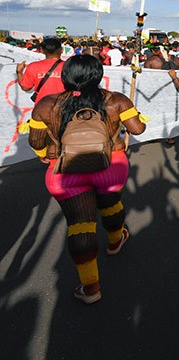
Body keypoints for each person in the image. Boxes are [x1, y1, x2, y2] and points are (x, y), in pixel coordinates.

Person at [26, 54, 146, 303]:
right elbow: (137, 129)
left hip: (64, 173)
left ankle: (90, 287)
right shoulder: (116, 100)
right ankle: (115, 241)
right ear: (98, 75)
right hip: (111, 165)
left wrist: (42, 155)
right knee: (110, 203)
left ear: (67, 76)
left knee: (80, 224)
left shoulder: (46, 104)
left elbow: (35, 141)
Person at [16, 37, 65, 104]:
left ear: (41, 50)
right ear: (61, 50)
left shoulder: (33, 66)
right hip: (64, 107)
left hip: (41, 107)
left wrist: (19, 72)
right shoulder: (70, 66)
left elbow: (25, 87)